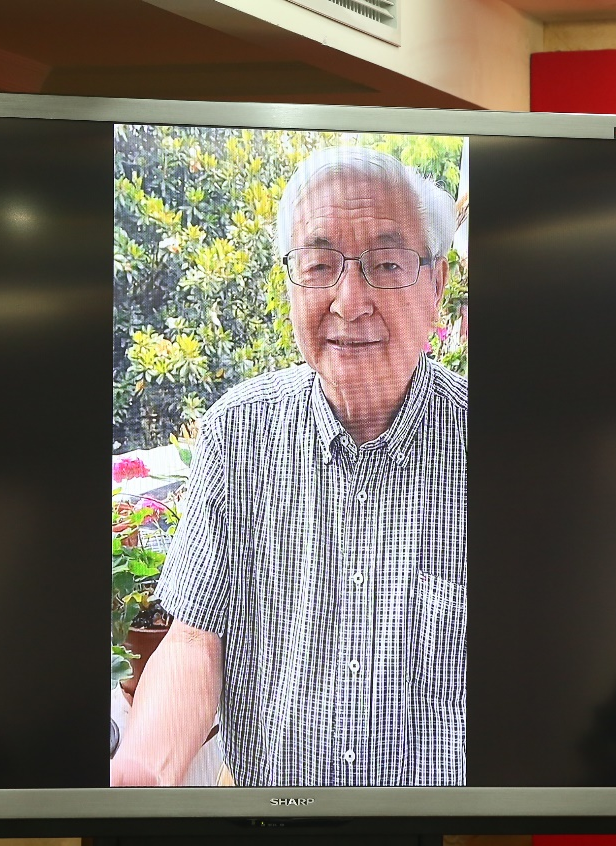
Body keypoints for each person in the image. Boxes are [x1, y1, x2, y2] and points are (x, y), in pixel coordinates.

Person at [111, 146, 467, 787]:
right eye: (320, 265)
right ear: (290, 283)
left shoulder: (497, 444)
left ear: (436, 285)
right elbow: (194, 642)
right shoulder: (239, 431)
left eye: (386, 265)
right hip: (274, 819)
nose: (349, 301)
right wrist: (140, 773)